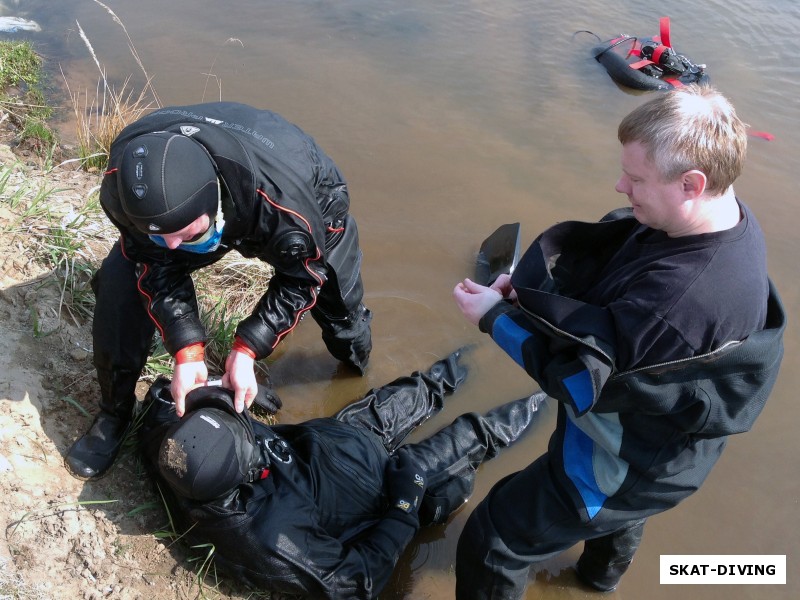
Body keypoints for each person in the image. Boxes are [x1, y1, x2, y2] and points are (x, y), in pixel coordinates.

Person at [451, 84, 785, 597]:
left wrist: (494, 318)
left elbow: (578, 383)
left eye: (634, 178)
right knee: (615, 518)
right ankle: (596, 582)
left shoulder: (677, 306)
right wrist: (527, 295)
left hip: (626, 461)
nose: (619, 187)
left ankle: (594, 567)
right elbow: (615, 281)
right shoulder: (719, 218)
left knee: (496, 537)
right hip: (671, 450)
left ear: (692, 183)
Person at [65, 102, 373, 480]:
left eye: (187, 234)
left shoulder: (287, 212)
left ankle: (354, 364)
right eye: (161, 235)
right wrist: (187, 352)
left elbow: (300, 279)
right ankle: (114, 412)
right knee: (121, 282)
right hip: (210, 184)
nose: (173, 247)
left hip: (303, 197)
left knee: (342, 314)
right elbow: (156, 263)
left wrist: (247, 349)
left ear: (213, 202)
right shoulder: (122, 185)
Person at [138, 349, 544, 599]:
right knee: (478, 433)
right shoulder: (270, 535)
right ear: (244, 478)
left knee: (430, 384)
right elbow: (357, 582)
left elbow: (162, 394)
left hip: (343, 435)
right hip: (384, 488)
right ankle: (550, 396)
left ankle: (483, 347)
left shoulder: (171, 437)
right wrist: (404, 506)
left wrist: (228, 392)